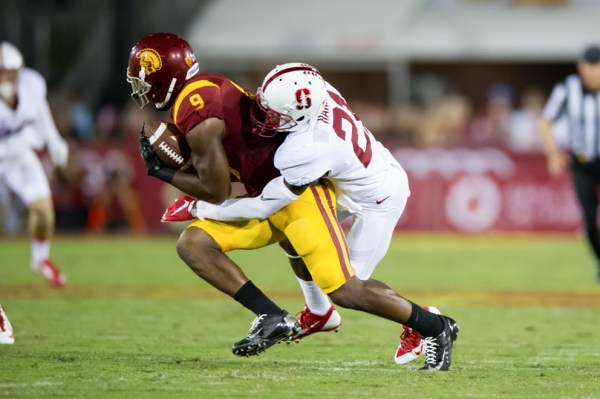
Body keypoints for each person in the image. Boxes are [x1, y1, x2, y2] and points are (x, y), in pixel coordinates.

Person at [162, 62, 460, 370]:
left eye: (276, 115)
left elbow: (265, 205)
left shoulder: (303, 149)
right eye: (264, 101)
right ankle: (319, 312)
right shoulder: (316, 92)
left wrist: (199, 207)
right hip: (351, 176)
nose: (263, 113)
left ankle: (430, 323)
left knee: (348, 287)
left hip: (377, 198)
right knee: (298, 239)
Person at [127, 32, 350, 357]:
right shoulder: (202, 89)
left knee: (349, 290)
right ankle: (282, 314)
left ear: (162, 78)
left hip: (295, 194)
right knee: (194, 244)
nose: (141, 89)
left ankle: (431, 324)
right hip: (272, 190)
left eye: (144, 80)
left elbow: (216, 191)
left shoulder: (194, 108)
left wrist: (161, 171)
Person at [0, 41, 68, 287]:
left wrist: (54, 140)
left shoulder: (31, 84)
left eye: (10, 71)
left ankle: (40, 259)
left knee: (43, 210)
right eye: (1, 72)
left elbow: (40, 112)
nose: (6, 77)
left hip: (18, 151)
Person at [540, 44, 600, 281]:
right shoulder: (568, 89)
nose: (593, 71)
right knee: (588, 218)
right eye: (590, 65)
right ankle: (598, 258)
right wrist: (553, 153)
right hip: (582, 162)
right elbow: (545, 121)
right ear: (581, 67)